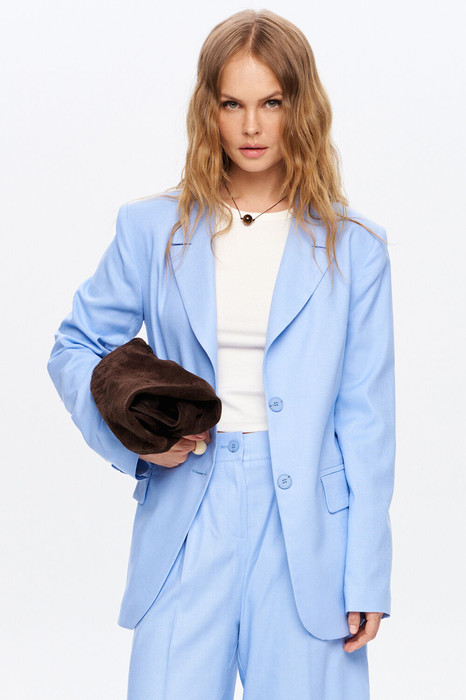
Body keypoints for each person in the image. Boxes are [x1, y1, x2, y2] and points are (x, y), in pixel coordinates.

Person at [47, 9, 396, 699]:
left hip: (306, 537)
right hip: (186, 512)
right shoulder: (152, 227)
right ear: (208, 108)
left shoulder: (356, 247)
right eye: (233, 103)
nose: (252, 126)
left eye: (272, 102)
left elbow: (367, 418)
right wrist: (137, 443)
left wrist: (366, 571)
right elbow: (75, 345)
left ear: (302, 107)